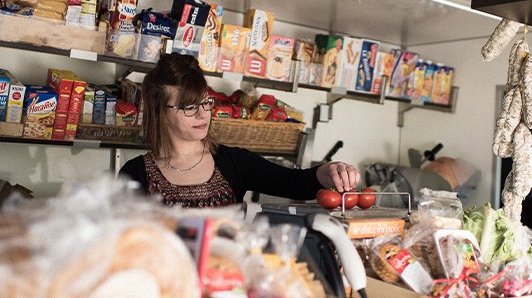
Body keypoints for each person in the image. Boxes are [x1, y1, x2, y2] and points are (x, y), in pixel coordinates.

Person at [119, 53, 360, 207]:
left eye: (206, 102)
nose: (203, 114)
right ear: (161, 111)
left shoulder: (233, 162)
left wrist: (328, 171)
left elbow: (294, 183)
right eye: (189, 107)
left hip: (227, 285)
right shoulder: (135, 174)